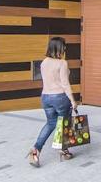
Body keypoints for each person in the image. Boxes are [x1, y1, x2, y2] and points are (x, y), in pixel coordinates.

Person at [27, 37, 78, 167]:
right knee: (63, 124)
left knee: (51, 123)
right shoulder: (62, 63)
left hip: (45, 97)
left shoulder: (44, 62)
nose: (65, 49)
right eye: (64, 47)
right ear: (60, 48)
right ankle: (63, 150)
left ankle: (36, 150)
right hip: (60, 97)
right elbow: (65, 84)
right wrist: (73, 101)